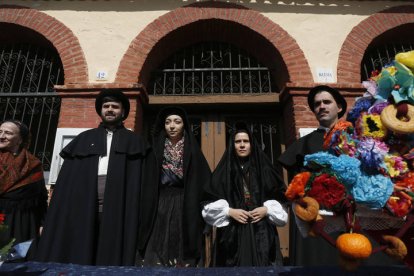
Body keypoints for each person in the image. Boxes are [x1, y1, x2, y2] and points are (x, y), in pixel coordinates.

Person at [278, 85, 399, 266]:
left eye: (327, 102)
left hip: (362, 215)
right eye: (317, 104)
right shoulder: (304, 143)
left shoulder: (360, 136)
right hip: (324, 223)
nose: (322, 107)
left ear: (339, 107)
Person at [35, 89, 149, 266]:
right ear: (101, 110)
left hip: (119, 203)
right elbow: (67, 182)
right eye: (106, 106)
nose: (110, 109)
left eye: (115, 106)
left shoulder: (135, 141)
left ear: (123, 112)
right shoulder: (84, 138)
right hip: (84, 202)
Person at [202, 124, 288, 267]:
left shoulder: (265, 170)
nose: (242, 145)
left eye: (245, 141)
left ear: (252, 144)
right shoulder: (224, 172)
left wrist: (266, 210)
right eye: (237, 142)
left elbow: (281, 197)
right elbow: (208, 201)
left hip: (261, 231)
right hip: (232, 232)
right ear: (232, 145)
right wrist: (229, 211)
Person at [137, 107, 211, 267]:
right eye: (168, 122)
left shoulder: (192, 150)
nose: (172, 126)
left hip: (185, 202)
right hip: (160, 202)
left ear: (184, 125)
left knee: (182, 243)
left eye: (177, 122)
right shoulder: (155, 149)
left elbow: (203, 180)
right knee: (157, 245)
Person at [0, 120, 48, 254]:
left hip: (22, 222)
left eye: (8, 133)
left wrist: (43, 223)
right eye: (0, 131)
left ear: (20, 140)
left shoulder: (33, 164)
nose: (2, 136)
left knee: (17, 263)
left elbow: (41, 197)